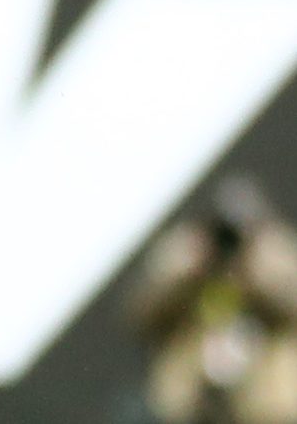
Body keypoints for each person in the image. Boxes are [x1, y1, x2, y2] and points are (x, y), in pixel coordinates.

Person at [127, 176, 297, 424]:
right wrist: (188, 278)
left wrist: (251, 279)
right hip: (195, 382)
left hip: (268, 385)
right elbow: (141, 315)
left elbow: (290, 306)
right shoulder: (183, 253)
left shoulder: (273, 250)